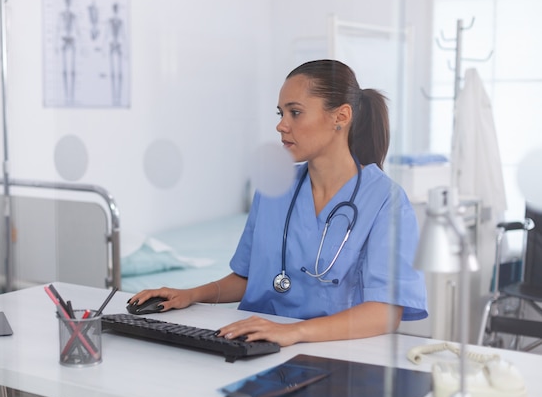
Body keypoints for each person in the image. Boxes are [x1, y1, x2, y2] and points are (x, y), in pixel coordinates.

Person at [129, 59, 428, 347]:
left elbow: (385, 313)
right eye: (280, 114)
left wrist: (292, 331)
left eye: (295, 113)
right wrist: (192, 294)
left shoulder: (386, 201)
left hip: (336, 351)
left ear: (341, 117)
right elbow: (250, 278)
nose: (281, 126)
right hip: (260, 344)